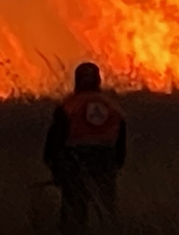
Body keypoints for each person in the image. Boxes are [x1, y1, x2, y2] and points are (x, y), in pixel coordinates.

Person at [43, 62, 126, 235]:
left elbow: (56, 138)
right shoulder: (113, 107)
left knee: (74, 210)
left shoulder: (68, 106)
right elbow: (121, 141)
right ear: (99, 80)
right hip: (105, 161)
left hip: (76, 160)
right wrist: (115, 164)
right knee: (105, 208)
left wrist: (53, 163)